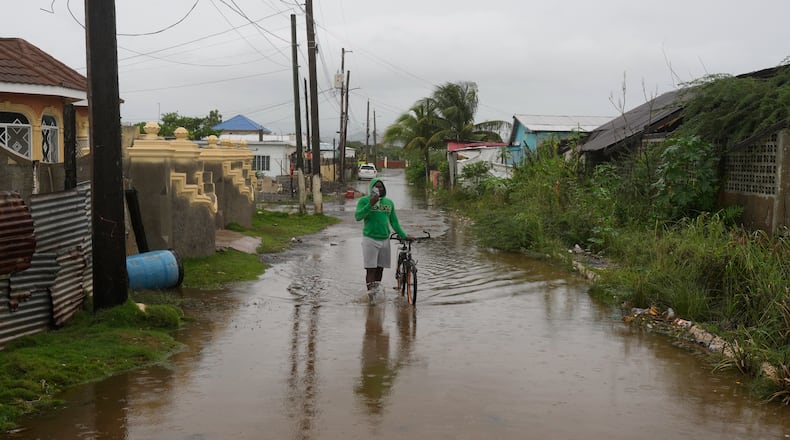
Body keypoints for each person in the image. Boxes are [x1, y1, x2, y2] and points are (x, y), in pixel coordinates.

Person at [355, 177, 412, 296]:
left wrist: (404, 235)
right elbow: (358, 217)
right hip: (370, 239)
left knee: (380, 269)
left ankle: (375, 292)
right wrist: (370, 204)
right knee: (371, 269)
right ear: (371, 188)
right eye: (376, 186)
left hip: (385, 239)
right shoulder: (364, 201)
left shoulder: (389, 203)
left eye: (381, 186)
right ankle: (371, 297)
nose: (379, 188)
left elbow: (394, 222)